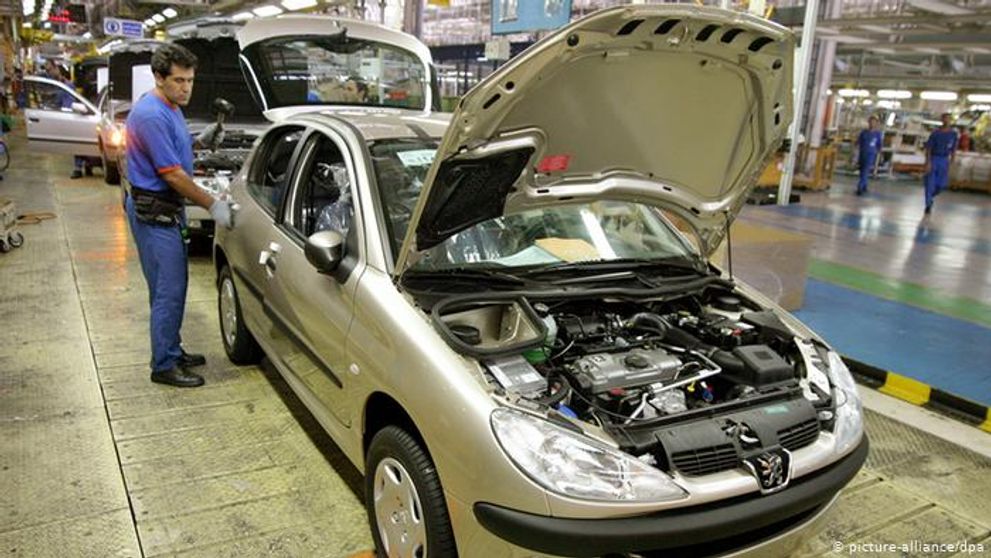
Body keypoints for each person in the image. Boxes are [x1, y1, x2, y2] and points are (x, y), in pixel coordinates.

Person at [123, 43, 232, 387]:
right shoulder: (151, 114)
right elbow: (171, 173)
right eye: (179, 80)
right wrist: (213, 204)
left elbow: (176, 147)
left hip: (167, 211)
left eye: (190, 80)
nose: (186, 88)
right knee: (167, 291)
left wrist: (200, 142)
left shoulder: (170, 107)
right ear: (159, 77)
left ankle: (172, 347)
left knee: (172, 287)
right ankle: (164, 365)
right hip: (154, 213)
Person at [922, 113, 958, 215]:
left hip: (944, 160)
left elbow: (954, 148)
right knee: (930, 183)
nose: (946, 121)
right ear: (942, 120)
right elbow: (929, 148)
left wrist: (953, 160)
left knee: (941, 185)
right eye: (944, 119)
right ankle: (928, 204)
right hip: (934, 159)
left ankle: (931, 195)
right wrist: (928, 162)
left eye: (948, 119)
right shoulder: (935, 133)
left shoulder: (953, 134)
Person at [854, 115, 883, 196]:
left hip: (871, 154)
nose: (872, 123)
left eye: (874, 122)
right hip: (862, 153)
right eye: (870, 122)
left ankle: (860, 187)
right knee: (862, 170)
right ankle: (864, 185)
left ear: (876, 123)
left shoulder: (878, 134)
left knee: (865, 170)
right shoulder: (864, 132)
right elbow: (858, 142)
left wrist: (879, 154)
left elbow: (879, 145)